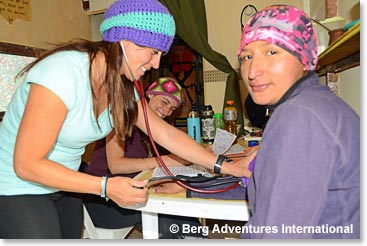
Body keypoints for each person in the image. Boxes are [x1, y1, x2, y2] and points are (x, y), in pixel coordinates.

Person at [0, 0, 255, 239]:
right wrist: (105, 187)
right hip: (18, 185)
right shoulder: (63, 71)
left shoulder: (124, 87)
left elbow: (166, 135)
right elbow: (27, 165)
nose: (155, 64)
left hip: (65, 183)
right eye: (153, 52)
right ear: (122, 40)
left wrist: (227, 166)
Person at [155, 4, 360, 239]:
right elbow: (265, 190)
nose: (252, 71)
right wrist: (191, 190)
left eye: (272, 52)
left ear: (304, 57)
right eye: (247, 57)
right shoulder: (316, 103)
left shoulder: (299, 117)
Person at [80, 77, 206, 239]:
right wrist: (163, 160)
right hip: (104, 203)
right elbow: (116, 165)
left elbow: (172, 142)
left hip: (130, 192)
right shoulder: (121, 116)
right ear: (150, 95)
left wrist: (200, 153)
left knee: (183, 212)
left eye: (172, 108)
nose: (167, 111)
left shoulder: (150, 128)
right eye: (165, 102)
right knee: (170, 218)